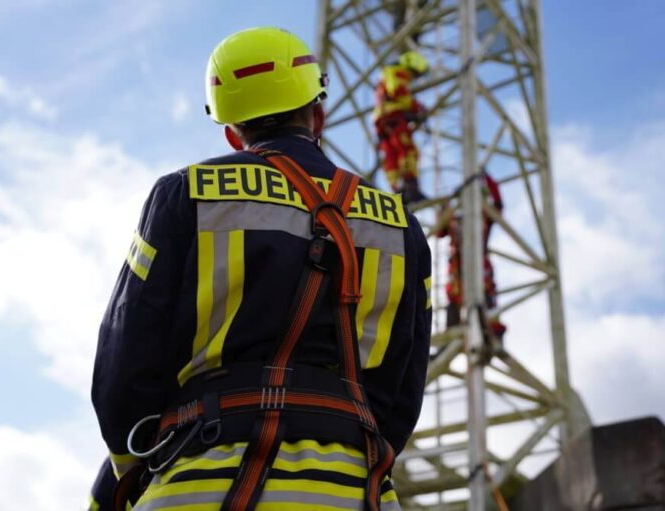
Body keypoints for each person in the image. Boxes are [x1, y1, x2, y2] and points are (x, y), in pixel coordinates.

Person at [91, 27, 432, 511]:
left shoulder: (186, 193)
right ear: (319, 113)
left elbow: (126, 360)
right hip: (355, 488)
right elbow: (403, 387)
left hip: (199, 482)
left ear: (232, 133)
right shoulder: (403, 227)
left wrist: (132, 466)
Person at [438, 171, 504, 339]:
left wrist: (486, 178)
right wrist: (444, 207)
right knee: (453, 302)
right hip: (457, 269)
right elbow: (439, 231)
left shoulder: (483, 217)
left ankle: (493, 337)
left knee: (486, 300)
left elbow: (498, 205)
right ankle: (448, 343)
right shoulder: (454, 220)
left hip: (479, 266)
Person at [373, 51, 429, 202]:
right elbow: (399, 92)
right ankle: (411, 186)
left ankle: (397, 189)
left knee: (391, 156)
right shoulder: (397, 72)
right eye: (415, 74)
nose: (412, 78)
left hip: (381, 121)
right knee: (407, 150)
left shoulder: (384, 76)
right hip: (395, 117)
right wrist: (417, 108)